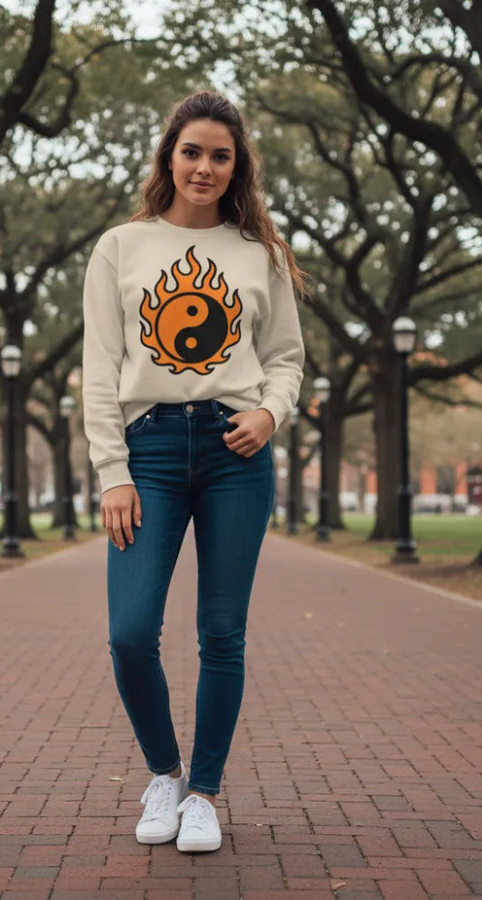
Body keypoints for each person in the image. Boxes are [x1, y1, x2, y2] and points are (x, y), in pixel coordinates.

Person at [82, 90, 305, 853]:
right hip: (145, 454)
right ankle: (163, 773)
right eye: (192, 152)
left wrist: (271, 413)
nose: (204, 167)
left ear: (236, 165)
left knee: (222, 633)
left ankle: (204, 793)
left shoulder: (258, 253)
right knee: (130, 632)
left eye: (220, 155)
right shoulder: (120, 246)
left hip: (233, 453)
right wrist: (112, 471)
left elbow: (284, 358)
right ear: (168, 157)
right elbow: (99, 368)